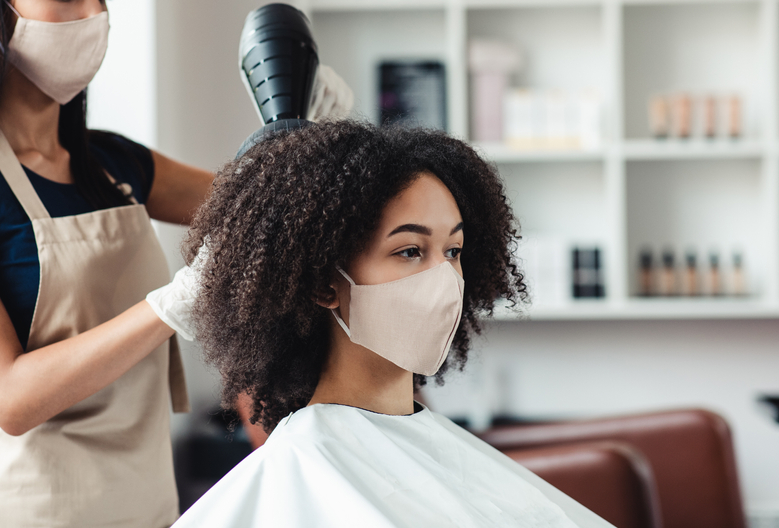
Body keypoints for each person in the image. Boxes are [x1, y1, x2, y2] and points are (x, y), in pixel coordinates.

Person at [0, 0, 350, 528]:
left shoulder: (112, 166)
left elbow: (265, 211)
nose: (93, 14)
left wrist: (312, 137)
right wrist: (168, 307)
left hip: (144, 508)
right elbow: (9, 397)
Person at [172, 121, 612, 527]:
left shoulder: (430, 440)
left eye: (453, 251)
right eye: (409, 251)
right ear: (326, 284)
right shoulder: (303, 466)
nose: (444, 279)